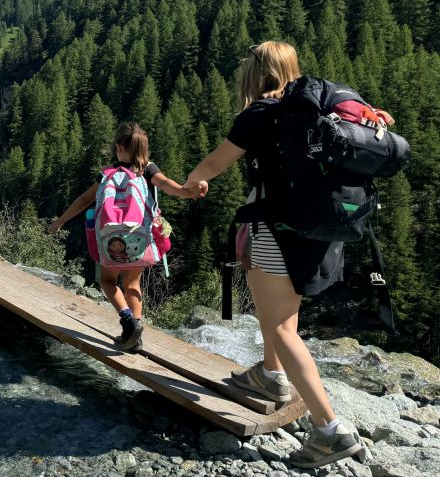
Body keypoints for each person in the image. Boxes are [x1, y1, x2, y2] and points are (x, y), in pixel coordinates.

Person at [182, 40, 365, 469]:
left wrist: (194, 181)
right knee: (282, 308)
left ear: (256, 72)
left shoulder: (262, 113)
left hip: (277, 226)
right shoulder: (314, 110)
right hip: (320, 227)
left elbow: (216, 162)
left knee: (280, 324)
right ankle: (270, 375)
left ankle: (329, 429)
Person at [49, 122, 198, 352]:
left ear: (119, 147)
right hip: (139, 238)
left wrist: (61, 220)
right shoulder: (148, 169)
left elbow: (84, 200)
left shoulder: (107, 174)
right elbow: (168, 186)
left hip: (110, 240)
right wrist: (187, 191)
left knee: (107, 281)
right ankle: (135, 337)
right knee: (132, 283)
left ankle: (128, 321)